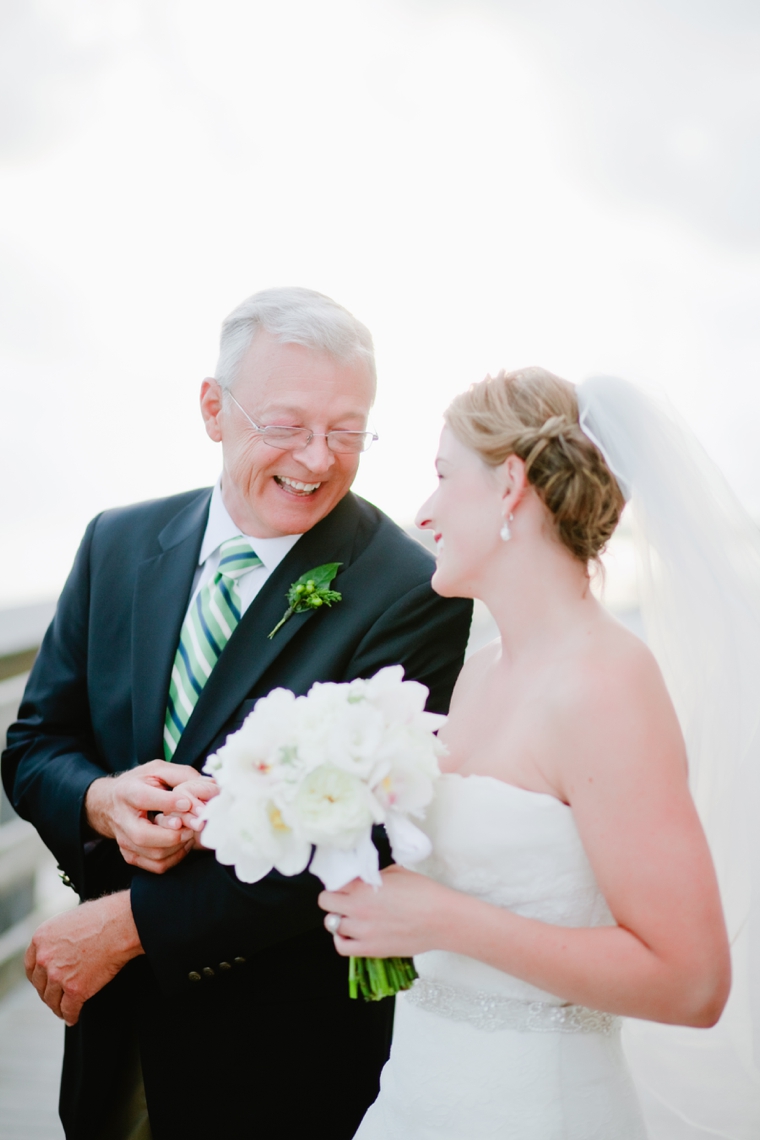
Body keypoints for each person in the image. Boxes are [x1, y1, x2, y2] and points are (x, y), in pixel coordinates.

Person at [1, 287, 473, 1140]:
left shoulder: (411, 589)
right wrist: (100, 800)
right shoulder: (116, 543)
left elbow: (364, 833)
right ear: (214, 409)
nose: (319, 459)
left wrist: (127, 927)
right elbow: (35, 744)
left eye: (348, 430)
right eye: (287, 425)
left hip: (282, 1053)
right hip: (109, 1035)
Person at [317, 367, 740, 1139]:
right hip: (414, 1098)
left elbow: (693, 981)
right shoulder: (477, 674)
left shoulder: (608, 685)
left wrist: (441, 918)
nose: (424, 509)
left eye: (444, 476)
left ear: (509, 484)